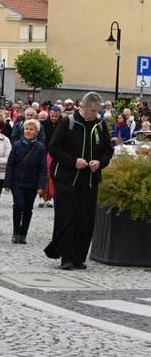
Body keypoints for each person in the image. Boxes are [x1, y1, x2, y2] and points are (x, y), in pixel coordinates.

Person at [45, 92, 113, 270]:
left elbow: (108, 149)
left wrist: (100, 162)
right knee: (69, 217)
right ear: (82, 107)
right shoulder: (67, 122)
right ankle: (65, 256)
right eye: (92, 110)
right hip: (67, 179)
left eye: (98, 111)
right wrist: (73, 161)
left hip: (90, 179)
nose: (96, 114)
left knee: (86, 218)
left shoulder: (99, 124)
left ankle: (78, 257)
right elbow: (54, 148)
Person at [4, 119, 47, 244]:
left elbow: (43, 168)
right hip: (17, 181)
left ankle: (23, 234)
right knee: (19, 205)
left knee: (28, 209)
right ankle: (16, 232)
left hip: (32, 183)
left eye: (31, 129)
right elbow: (10, 164)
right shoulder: (17, 145)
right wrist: (7, 183)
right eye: (26, 129)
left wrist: (41, 185)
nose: (28, 131)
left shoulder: (40, 148)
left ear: (37, 132)